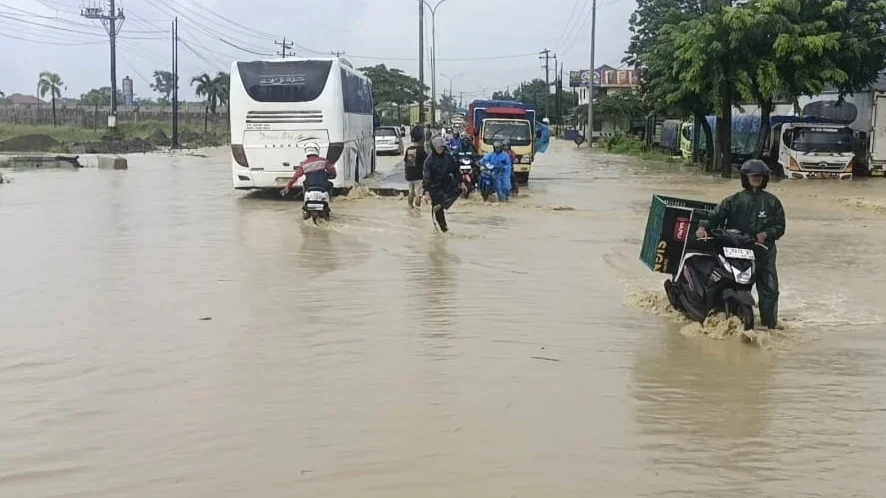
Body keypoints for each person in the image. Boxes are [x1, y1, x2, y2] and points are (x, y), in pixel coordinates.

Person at [696, 159, 786, 329]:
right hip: (738, 251)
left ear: (765, 178)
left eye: (760, 176)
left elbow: (780, 227)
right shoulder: (733, 200)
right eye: (753, 176)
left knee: (770, 290)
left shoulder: (773, 202)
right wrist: (703, 227)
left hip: (763, 253)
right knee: (732, 282)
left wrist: (766, 234)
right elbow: (715, 217)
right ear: (745, 178)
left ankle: (769, 326)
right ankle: (728, 319)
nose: (756, 179)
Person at [422, 135, 466, 232]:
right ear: (434, 148)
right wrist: (426, 191)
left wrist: (462, 182)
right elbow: (426, 177)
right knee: (437, 211)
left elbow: (456, 170)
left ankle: (442, 206)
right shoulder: (429, 161)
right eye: (438, 148)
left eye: (442, 148)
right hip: (434, 187)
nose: (440, 149)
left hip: (446, 183)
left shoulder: (449, 157)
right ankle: (441, 230)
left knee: (458, 190)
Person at [403, 126, 428, 209]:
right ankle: (417, 209)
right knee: (418, 194)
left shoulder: (408, 149)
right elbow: (427, 161)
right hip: (418, 176)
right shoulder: (421, 150)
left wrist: (407, 174)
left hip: (409, 175)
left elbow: (406, 162)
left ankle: (410, 207)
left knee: (411, 192)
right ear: (422, 138)